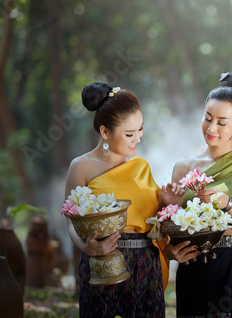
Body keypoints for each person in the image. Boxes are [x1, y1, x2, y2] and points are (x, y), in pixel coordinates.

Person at [64, 82, 184, 318]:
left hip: (146, 264)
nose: (137, 139)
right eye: (129, 134)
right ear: (105, 132)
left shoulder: (141, 167)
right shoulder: (81, 167)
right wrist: (87, 247)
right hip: (102, 262)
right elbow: (71, 220)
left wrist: (166, 203)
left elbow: (153, 222)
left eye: (140, 130)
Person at [164, 72, 232, 317]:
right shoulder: (183, 168)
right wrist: (168, 209)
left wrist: (227, 203)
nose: (212, 128)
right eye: (207, 118)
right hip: (192, 266)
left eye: (222, 122)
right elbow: (172, 225)